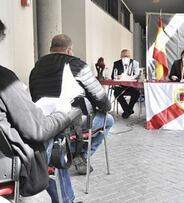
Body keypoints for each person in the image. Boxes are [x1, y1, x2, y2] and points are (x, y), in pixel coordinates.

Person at [0, 20, 77, 202]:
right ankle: (67, 196)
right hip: (11, 167)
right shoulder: (5, 78)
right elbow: (38, 130)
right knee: (59, 137)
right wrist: (64, 113)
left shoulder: (36, 68)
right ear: (69, 50)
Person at [29, 34, 114, 178]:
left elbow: (33, 95)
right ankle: (79, 154)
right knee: (109, 119)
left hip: (45, 122)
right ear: (69, 50)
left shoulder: (37, 67)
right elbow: (103, 101)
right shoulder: (77, 65)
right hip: (74, 123)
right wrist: (103, 107)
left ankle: (71, 153)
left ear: (51, 49)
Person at [111, 49, 140, 118]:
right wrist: (118, 76)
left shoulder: (135, 63)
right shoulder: (116, 63)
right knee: (116, 93)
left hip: (131, 86)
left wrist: (130, 77)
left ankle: (128, 110)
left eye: (127, 56)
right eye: (123, 56)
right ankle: (128, 110)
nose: (125, 57)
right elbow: (112, 76)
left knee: (137, 93)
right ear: (120, 56)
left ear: (130, 56)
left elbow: (137, 75)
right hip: (120, 86)